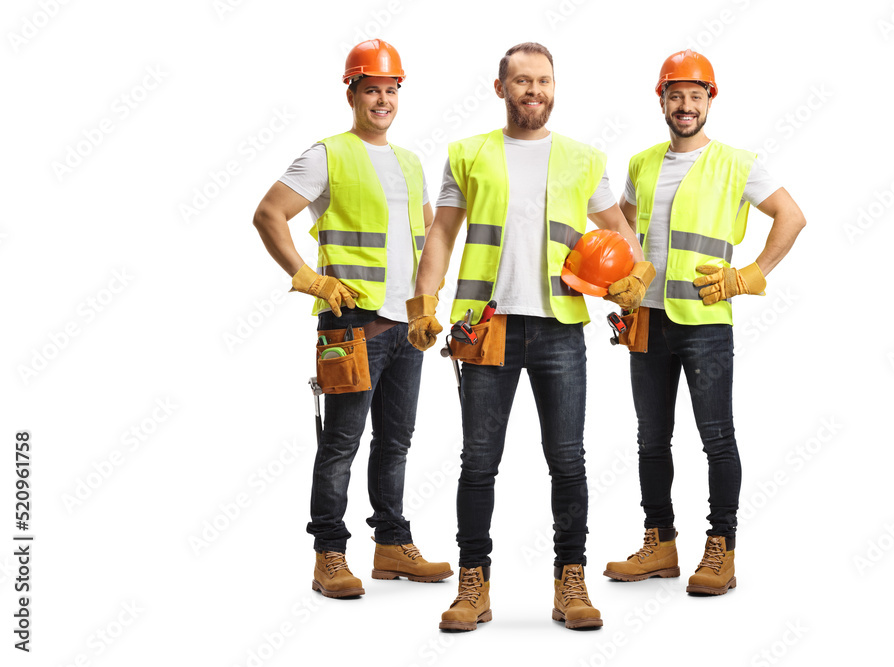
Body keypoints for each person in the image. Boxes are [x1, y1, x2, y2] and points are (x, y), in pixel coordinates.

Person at [406, 42, 654, 631]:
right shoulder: (467, 154)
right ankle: (474, 586)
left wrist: (639, 273)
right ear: (501, 89)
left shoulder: (582, 159)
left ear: (553, 88)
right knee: (477, 463)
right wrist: (423, 302)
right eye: (521, 81)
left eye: (542, 80)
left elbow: (618, 230)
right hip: (484, 327)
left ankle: (572, 581)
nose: (533, 90)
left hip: (560, 329)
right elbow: (441, 233)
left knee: (568, 461)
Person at [252, 39, 452, 600]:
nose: (383, 99)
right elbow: (268, 214)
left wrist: (429, 306)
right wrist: (308, 276)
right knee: (341, 442)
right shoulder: (326, 154)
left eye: (391, 90)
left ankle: (391, 545)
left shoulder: (411, 163)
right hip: (353, 325)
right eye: (372, 89)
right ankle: (330, 556)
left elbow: (430, 240)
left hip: (407, 329)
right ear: (353, 93)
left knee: (395, 442)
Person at [603, 49, 806, 595]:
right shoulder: (642, 163)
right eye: (676, 95)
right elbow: (622, 220)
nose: (685, 105)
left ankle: (722, 547)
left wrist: (750, 274)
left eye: (696, 96)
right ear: (662, 101)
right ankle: (660, 543)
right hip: (646, 317)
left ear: (709, 101)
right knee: (651, 439)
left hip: (707, 321)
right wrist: (624, 273)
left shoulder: (739, 162)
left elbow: (793, 216)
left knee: (717, 437)